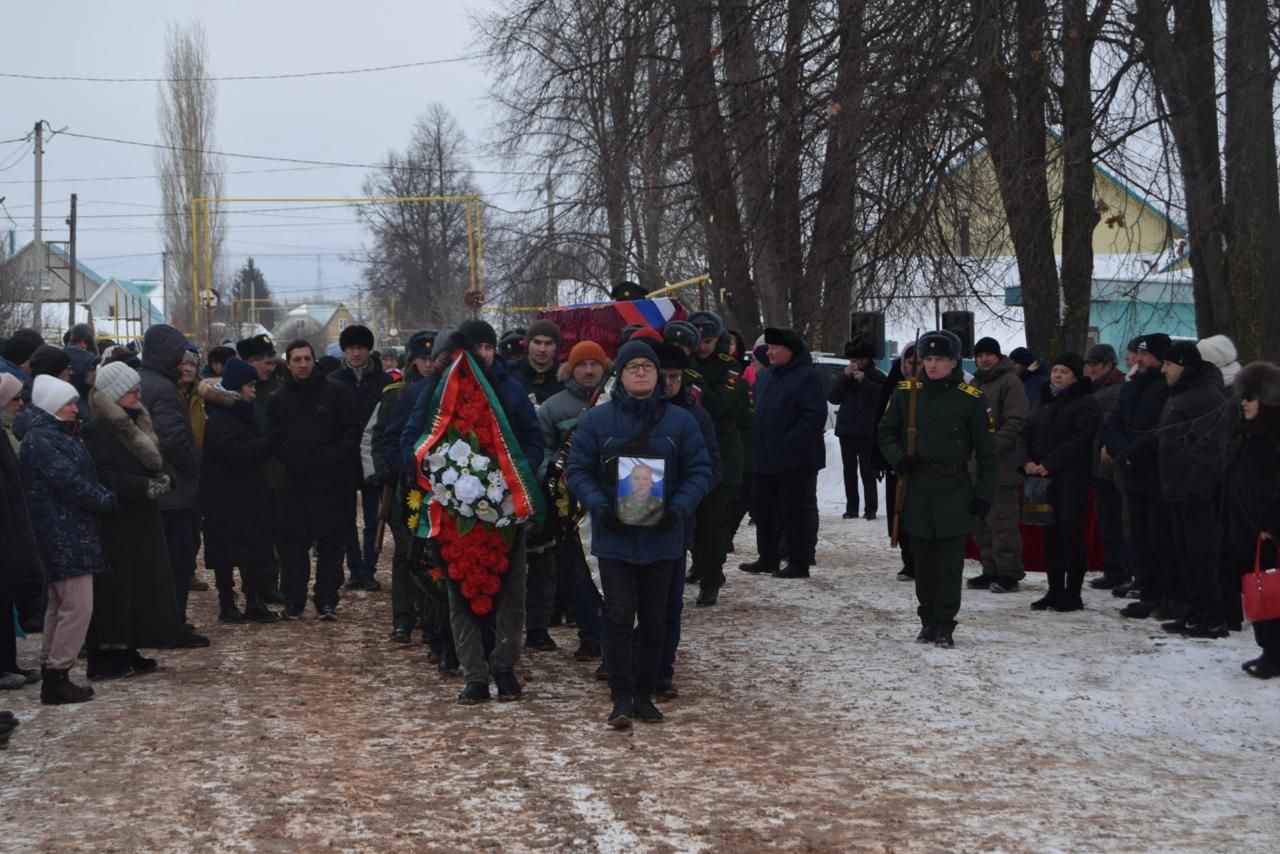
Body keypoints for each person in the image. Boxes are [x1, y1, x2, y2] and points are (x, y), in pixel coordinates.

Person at [567, 340, 712, 729]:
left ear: (659, 375)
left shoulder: (681, 422)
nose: (642, 373)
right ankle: (620, 695)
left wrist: (677, 509)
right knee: (616, 616)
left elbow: (701, 471)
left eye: (648, 366)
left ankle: (645, 693)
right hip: (615, 537)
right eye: (633, 367)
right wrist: (600, 507)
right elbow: (577, 470)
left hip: (663, 538)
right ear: (621, 375)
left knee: (654, 618)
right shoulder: (597, 421)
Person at [403, 319, 545, 704]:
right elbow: (412, 443)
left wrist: (514, 477)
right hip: (455, 513)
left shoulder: (510, 392)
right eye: (468, 349)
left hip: (504, 511)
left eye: (485, 347)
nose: (477, 356)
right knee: (460, 593)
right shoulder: (434, 395)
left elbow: (533, 440)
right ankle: (475, 674)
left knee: (511, 593)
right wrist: (440, 480)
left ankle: (505, 666)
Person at [877, 331, 996, 648]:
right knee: (923, 561)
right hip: (917, 488)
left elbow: (987, 452)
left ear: (954, 362)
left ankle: (944, 622)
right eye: (926, 359)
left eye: (938, 359)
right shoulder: (906, 393)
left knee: (948, 563)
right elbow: (886, 431)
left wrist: (984, 493)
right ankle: (927, 620)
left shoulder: (970, 399)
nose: (931, 365)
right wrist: (899, 459)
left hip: (954, 488)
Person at [81, 361, 185, 679]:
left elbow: (157, 459)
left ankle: (130, 646)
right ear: (114, 395)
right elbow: (103, 475)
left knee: (138, 586)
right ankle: (106, 656)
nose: (137, 394)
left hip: (140, 517)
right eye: (130, 390)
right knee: (114, 590)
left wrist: (165, 478)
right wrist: (146, 487)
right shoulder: (97, 430)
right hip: (115, 520)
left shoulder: (137, 421)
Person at [19, 375, 116, 703]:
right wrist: (105, 500)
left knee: (61, 604)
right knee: (77, 606)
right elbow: (70, 482)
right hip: (64, 531)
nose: (77, 408)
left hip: (66, 529)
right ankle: (58, 673)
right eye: (70, 403)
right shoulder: (45, 439)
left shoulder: (51, 435)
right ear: (53, 406)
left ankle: (53, 669)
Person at [268, 340, 361, 620]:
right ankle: (294, 600)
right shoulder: (279, 400)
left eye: (307, 358)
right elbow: (274, 440)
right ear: (289, 363)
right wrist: (294, 463)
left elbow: (352, 431)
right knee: (293, 548)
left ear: (314, 360)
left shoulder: (337, 393)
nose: (303, 364)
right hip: (294, 484)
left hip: (332, 483)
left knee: (332, 547)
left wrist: (332, 457)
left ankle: (326, 600)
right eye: (296, 359)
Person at [534, 340, 611, 661]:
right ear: (571, 369)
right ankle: (589, 636)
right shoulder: (553, 407)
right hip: (568, 505)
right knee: (578, 572)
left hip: (607, 500)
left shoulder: (612, 401)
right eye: (583, 365)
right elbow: (542, 451)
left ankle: (612, 634)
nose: (589, 371)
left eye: (595, 364)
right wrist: (552, 475)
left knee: (607, 571)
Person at [656, 341, 720, 698]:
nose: (669, 384)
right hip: (629, 522)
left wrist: (682, 498)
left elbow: (711, 467)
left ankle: (663, 668)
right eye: (662, 376)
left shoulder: (696, 416)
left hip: (676, 521)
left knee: (669, 601)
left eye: (676, 377)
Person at [138, 325, 208, 648]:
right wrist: (194, 467)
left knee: (159, 565)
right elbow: (172, 438)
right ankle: (172, 626)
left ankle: (159, 623)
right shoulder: (164, 389)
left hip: (158, 491)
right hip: (174, 493)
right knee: (177, 562)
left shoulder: (143, 381)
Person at [739, 327, 827, 579]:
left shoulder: (807, 377)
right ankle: (768, 558)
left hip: (795, 461)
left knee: (794, 512)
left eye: (775, 348)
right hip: (765, 458)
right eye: (769, 347)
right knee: (763, 510)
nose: (770, 352)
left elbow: (813, 418)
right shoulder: (766, 377)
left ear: (790, 350)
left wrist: (786, 443)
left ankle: (799, 562)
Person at [201, 357, 282, 625]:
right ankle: (227, 602)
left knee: (253, 549)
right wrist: (265, 446)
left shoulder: (242, 413)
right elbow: (233, 453)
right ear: (236, 388)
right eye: (249, 385)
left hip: (247, 493)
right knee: (226, 553)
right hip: (224, 496)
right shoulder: (220, 418)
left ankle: (254, 600)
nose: (253, 390)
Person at [1156, 341, 1229, 637]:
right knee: (1185, 554)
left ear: (1184, 365)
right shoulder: (1182, 394)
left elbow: (1212, 445)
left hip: (1195, 492)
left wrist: (1196, 488)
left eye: (1169, 364)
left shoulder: (1206, 396)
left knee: (1201, 555)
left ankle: (1213, 617)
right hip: (1176, 488)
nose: (1164, 370)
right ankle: (1194, 612)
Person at [1020, 354, 1101, 612]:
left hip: (1070, 478)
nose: (1057, 375)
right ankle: (1054, 590)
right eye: (1055, 370)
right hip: (1041, 479)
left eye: (1064, 371)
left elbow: (1080, 439)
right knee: (1050, 536)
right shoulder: (1043, 399)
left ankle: (1072, 593)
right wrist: (1026, 461)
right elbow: (1026, 432)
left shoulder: (1085, 401)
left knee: (1070, 535)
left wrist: (1050, 462)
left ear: (1075, 376)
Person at [370, 330, 436, 645]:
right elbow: (382, 437)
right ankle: (403, 619)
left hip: (437, 485)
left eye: (432, 358)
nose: (428, 364)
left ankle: (429, 614)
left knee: (433, 554)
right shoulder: (397, 394)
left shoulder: (445, 391)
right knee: (406, 553)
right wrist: (391, 472)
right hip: (404, 487)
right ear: (412, 361)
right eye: (422, 359)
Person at [1105, 333, 1175, 620]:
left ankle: (1165, 594)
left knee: (1160, 536)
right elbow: (1115, 420)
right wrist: (1121, 451)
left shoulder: (1167, 387)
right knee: (1138, 535)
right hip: (1130, 470)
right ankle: (1147, 591)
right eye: (1138, 353)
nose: (1139, 358)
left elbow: (1162, 428)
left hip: (1154, 472)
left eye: (1145, 354)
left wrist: (1131, 453)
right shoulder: (1132, 385)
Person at [685, 311, 752, 605]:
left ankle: (712, 578)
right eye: (697, 340)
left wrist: (694, 378)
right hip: (688, 450)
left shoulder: (730, 367)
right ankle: (701, 563)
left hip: (721, 452)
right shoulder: (682, 365)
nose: (702, 347)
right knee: (691, 518)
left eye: (708, 340)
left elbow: (720, 406)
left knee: (713, 521)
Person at [1221, 362, 1280, 677]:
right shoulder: (1247, 434)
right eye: (1242, 396)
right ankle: (1267, 650)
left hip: (1266, 531)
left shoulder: (1273, 438)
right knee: (1256, 590)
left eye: (1251, 396)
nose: (1244, 402)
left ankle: (1274, 655)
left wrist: (1272, 526)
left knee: (1271, 592)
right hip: (1243, 526)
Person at [326, 324, 392, 591]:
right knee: (346, 518)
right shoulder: (333, 380)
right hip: (343, 456)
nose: (356, 353)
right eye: (352, 348)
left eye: (361, 348)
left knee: (374, 515)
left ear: (368, 350)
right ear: (345, 351)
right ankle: (354, 566)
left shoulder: (384, 382)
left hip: (372, 456)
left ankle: (369, 566)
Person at [966, 337, 1028, 593]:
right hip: (973, 468)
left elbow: (1016, 420)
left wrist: (991, 448)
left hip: (1000, 468)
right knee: (979, 524)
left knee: (1002, 523)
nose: (984, 359)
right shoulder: (973, 384)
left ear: (998, 356)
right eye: (980, 355)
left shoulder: (1010, 381)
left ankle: (1009, 573)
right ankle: (990, 568)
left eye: (989, 355)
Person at [0, 373, 43, 690]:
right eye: (16, 399)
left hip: (11, 525)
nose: (21, 405)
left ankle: (8, 663)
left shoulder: (6, 432)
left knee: (6, 601)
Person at [1083, 345, 1128, 590]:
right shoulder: (1098, 389)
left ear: (1109, 365)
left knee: (1113, 520)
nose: (1090, 368)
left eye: (1095, 364)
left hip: (1109, 465)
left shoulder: (1113, 391)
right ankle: (1115, 569)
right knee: (1107, 520)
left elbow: (1110, 425)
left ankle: (1118, 570)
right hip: (1099, 464)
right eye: (1088, 363)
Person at [828, 338, 887, 521]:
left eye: (860, 360)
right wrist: (844, 378)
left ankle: (870, 508)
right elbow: (833, 398)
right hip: (847, 429)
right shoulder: (846, 376)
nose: (856, 364)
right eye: (853, 359)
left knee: (867, 471)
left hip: (867, 431)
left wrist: (865, 382)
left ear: (868, 359)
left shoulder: (877, 376)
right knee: (849, 470)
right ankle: (851, 507)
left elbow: (881, 399)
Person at [876, 344, 919, 581]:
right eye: (911, 362)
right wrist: (890, 456)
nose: (915, 367)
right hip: (897, 462)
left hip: (922, 463)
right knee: (898, 510)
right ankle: (908, 559)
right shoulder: (895, 385)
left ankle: (923, 560)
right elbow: (883, 424)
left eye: (919, 363)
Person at [513, 319, 564, 404]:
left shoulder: (565, 380)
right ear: (528, 344)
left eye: (548, 343)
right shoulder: (511, 375)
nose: (542, 349)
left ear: (556, 347)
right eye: (537, 342)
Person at [66, 346, 100, 425]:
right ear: (78, 371)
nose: (95, 373)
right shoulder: (73, 403)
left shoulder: (92, 393)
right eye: (91, 370)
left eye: (95, 369)